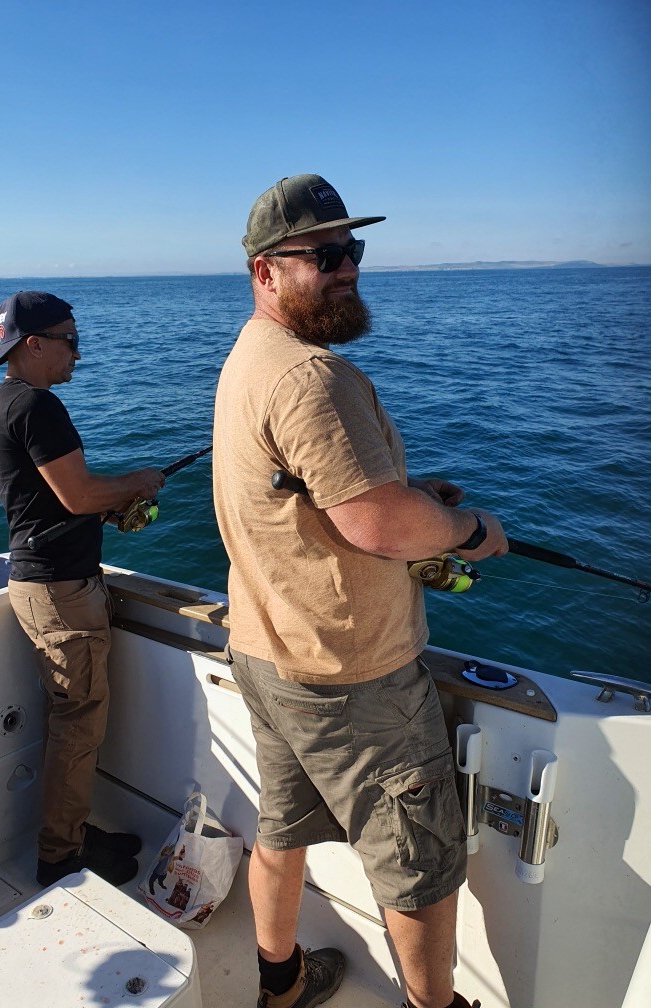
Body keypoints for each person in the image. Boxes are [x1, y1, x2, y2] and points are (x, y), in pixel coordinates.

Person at [213, 175, 508, 1008]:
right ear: (266, 271)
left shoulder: (249, 356)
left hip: (267, 656)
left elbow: (322, 496)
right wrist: (467, 530)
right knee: (417, 865)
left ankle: (280, 983)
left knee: (281, 832)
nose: (347, 269)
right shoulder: (312, 376)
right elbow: (377, 524)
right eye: (326, 255)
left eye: (354, 251)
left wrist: (411, 496)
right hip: (353, 678)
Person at [0, 290, 164, 888]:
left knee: (70, 718)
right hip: (60, 592)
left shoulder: (5, 403)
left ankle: (74, 834)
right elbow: (79, 495)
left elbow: (48, 506)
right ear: (33, 344)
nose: (78, 354)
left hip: (40, 586)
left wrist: (102, 512)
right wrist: (137, 481)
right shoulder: (38, 407)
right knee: (77, 724)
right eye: (70, 340)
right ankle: (60, 855)